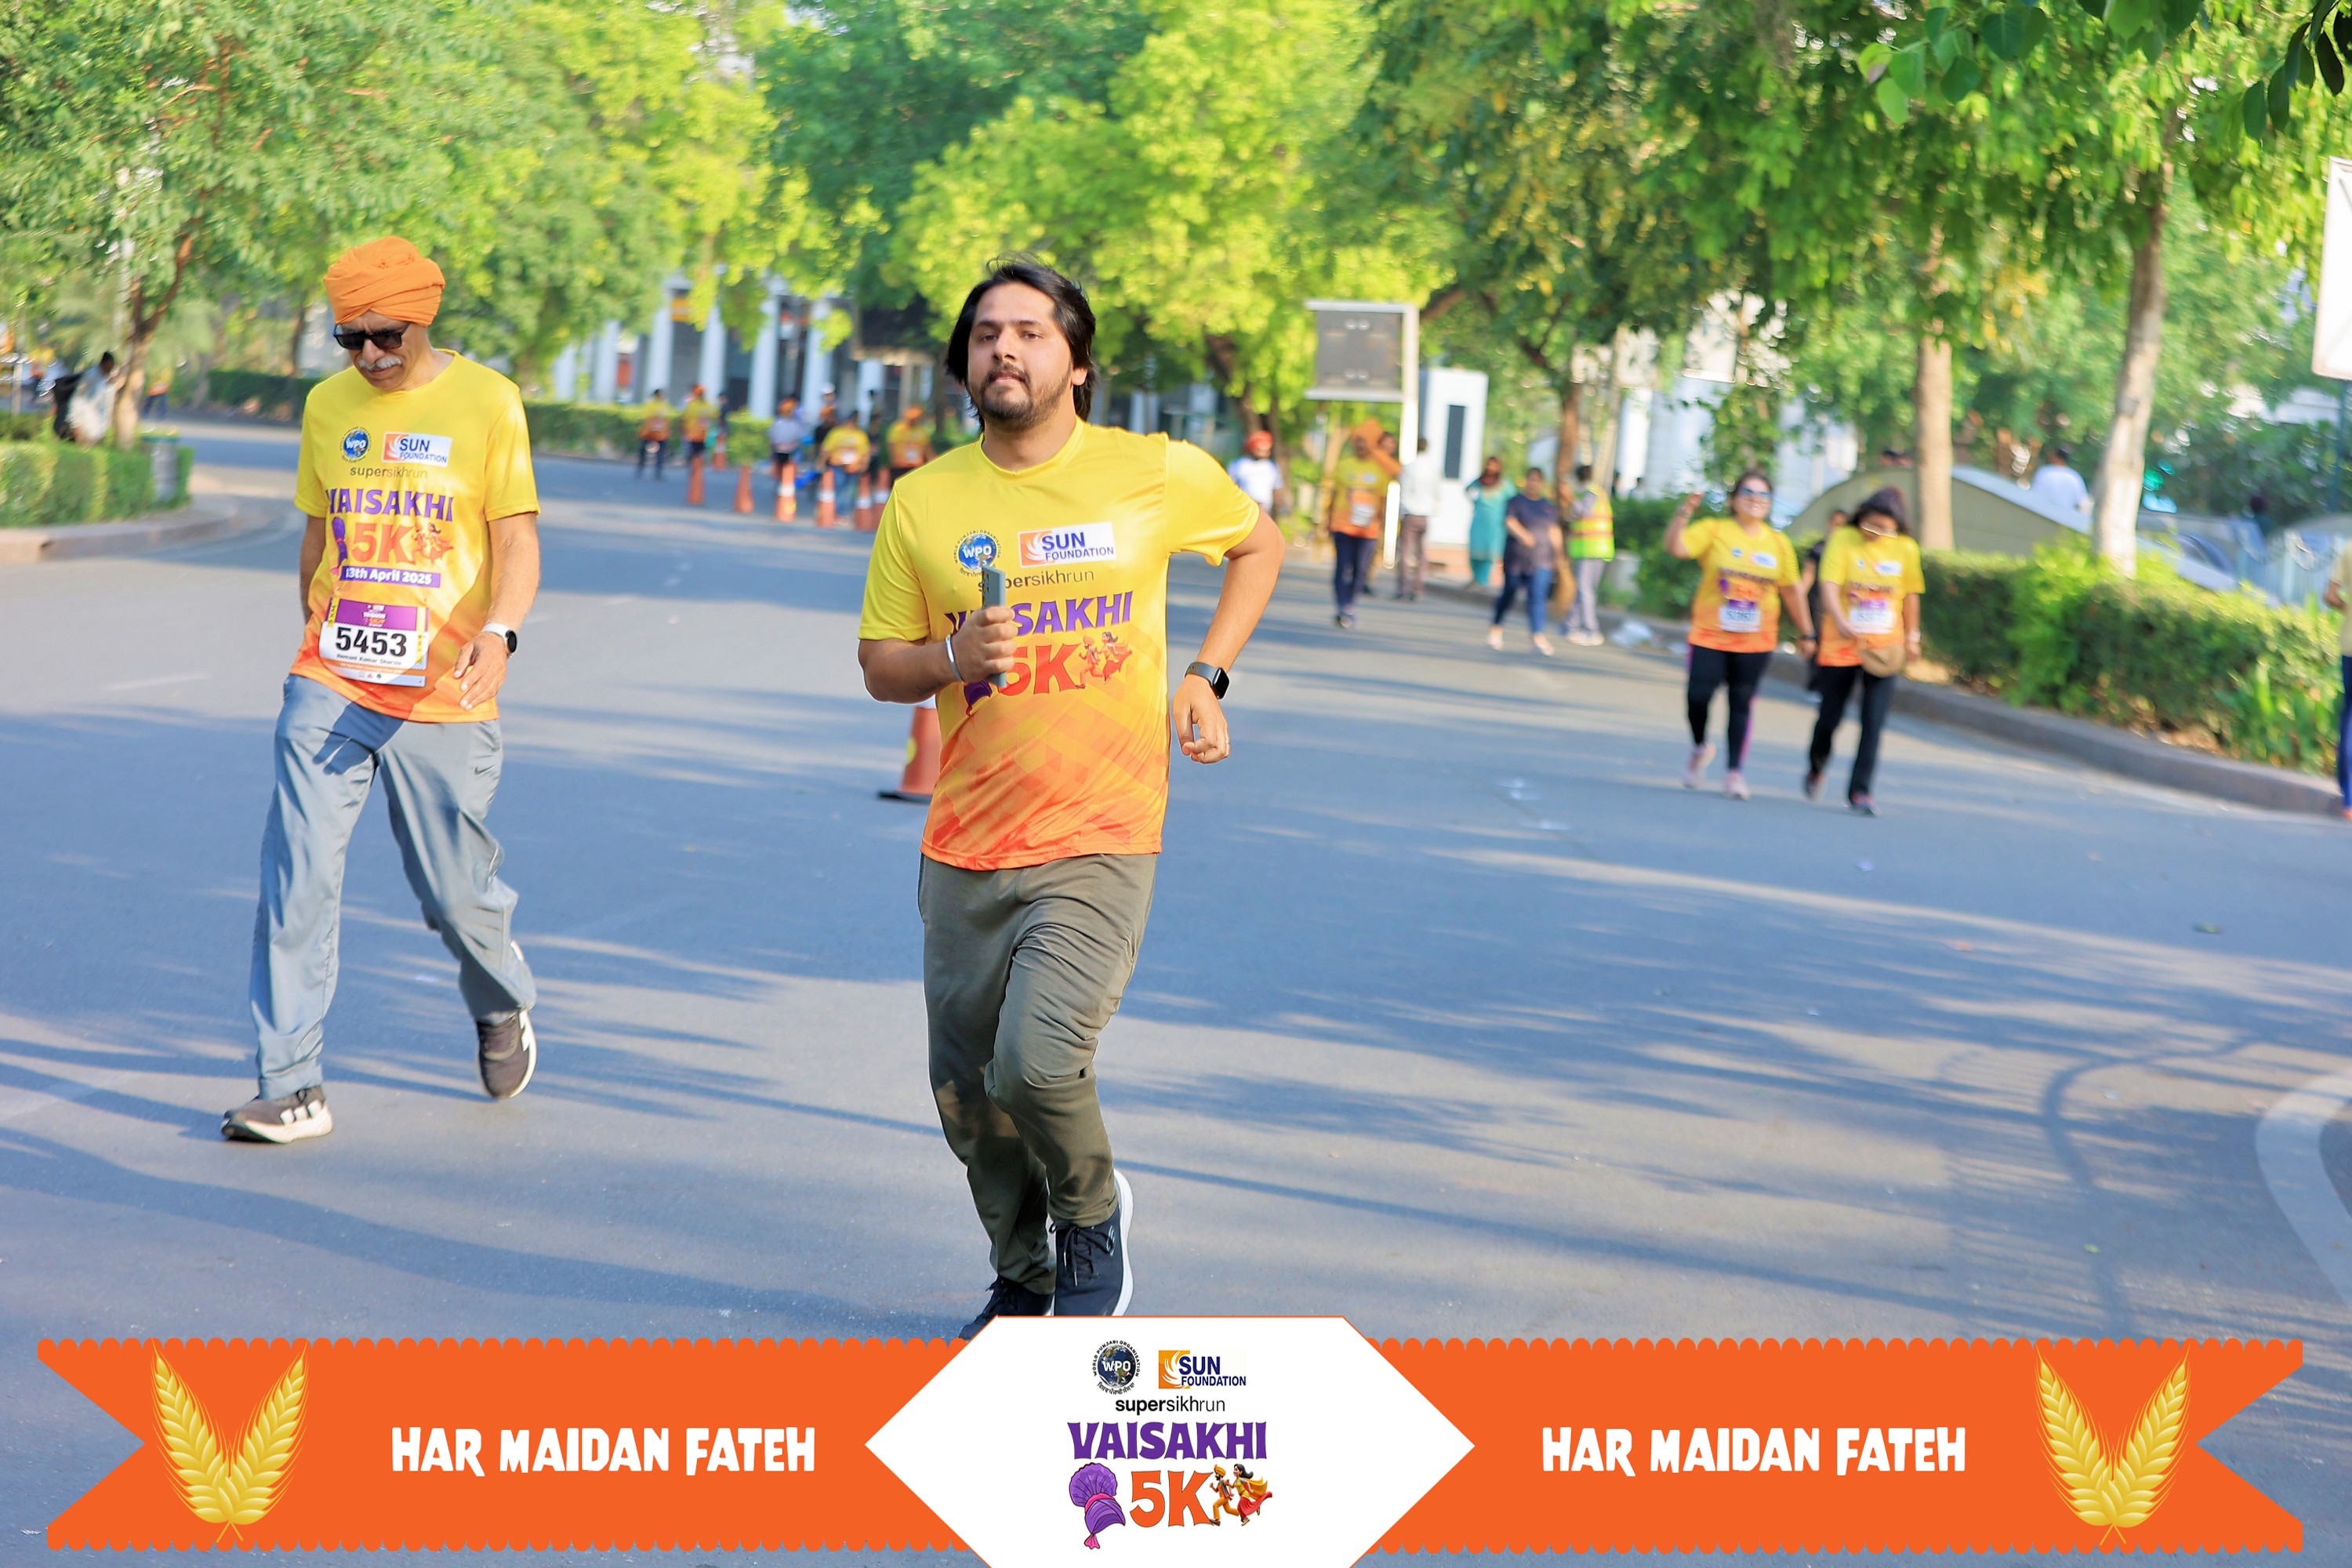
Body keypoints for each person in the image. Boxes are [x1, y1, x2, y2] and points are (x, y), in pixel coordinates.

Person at [855, 258, 1283, 1335]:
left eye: (1031, 332)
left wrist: (1207, 674)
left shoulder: (1152, 472)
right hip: (967, 841)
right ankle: (1025, 1275)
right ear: (964, 363)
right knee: (969, 1096)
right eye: (986, 333)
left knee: (1037, 1061)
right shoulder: (924, 500)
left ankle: (1091, 1216)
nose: (1005, 347)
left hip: (1102, 830)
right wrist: (951, 657)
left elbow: (1258, 543)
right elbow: (881, 664)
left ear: (1077, 363)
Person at [223, 236, 541, 1143]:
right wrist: (314, 638)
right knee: (297, 874)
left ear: (422, 319)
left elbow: (516, 539)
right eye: (350, 337)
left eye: (386, 335)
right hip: (333, 677)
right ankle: (292, 1084)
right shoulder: (327, 407)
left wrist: (500, 631)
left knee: (452, 893)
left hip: (444, 687)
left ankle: (501, 995)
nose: (368, 354)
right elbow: (317, 535)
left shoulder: (489, 400)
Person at [1666, 472, 1814, 799]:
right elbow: (1677, 548)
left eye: (1763, 495)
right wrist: (1684, 513)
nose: (1755, 500)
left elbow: (1791, 591)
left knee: (1741, 702)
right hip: (1710, 633)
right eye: (1748, 492)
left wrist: (1807, 633)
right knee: (1698, 696)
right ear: (1734, 499)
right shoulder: (1715, 530)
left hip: (1755, 638)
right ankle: (1699, 747)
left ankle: (1734, 773)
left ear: (1770, 503)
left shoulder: (1778, 543)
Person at [1806, 488, 1923, 815]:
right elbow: (1829, 585)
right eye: (1871, 526)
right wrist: (1840, 619)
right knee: (1830, 716)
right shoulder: (1843, 539)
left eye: (1886, 529)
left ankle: (1860, 791)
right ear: (1861, 518)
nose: (1877, 534)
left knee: (1874, 721)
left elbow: (1911, 595)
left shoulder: (1906, 548)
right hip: (1842, 642)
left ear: (1898, 527)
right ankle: (1817, 765)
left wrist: (1912, 637)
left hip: (1884, 647)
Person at [1324, 419, 1396, 628]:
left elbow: (1383, 499)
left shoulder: (1379, 468)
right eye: (1358, 441)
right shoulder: (1344, 465)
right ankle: (1342, 606)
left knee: (1361, 569)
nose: (1361, 446)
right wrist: (1327, 520)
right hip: (1343, 525)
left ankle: (1350, 604)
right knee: (1342, 566)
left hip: (1368, 529)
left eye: (1366, 442)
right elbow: (1334, 493)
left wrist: (1382, 525)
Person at [1486, 466, 1559, 656]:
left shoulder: (1547, 506)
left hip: (1541, 559)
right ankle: (1496, 627)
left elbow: (1553, 530)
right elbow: (1509, 521)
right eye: (1531, 479)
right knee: (1510, 592)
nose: (1534, 483)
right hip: (1517, 558)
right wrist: (1523, 535)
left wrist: (1559, 554)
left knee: (1537, 597)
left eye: (1537, 480)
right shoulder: (1516, 502)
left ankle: (1537, 635)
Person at [1559, 463, 1613, 643]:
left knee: (1584, 589)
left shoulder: (1590, 493)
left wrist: (1569, 498)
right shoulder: (1596, 492)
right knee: (1584, 590)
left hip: (1590, 549)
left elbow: (1584, 513)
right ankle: (1570, 625)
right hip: (1596, 548)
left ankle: (1591, 630)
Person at [1395, 436, 1441, 601]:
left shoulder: (1409, 467)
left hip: (1410, 512)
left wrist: (1401, 511)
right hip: (1425, 514)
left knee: (1406, 551)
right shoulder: (1433, 468)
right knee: (1422, 553)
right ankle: (1418, 588)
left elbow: (1404, 491)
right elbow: (1437, 492)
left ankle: (1404, 588)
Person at [2325, 546, 2352, 821]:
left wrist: (2348, 608)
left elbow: (2330, 596)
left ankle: (2349, 798)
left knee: (2349, 718)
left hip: (2349, 647)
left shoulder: (2349, 551)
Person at [820, 410, 873, 528]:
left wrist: (864, 464)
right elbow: (827, 448)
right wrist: (822, 462)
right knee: (839, 489)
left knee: (849, 491)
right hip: (838, 465)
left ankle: (845, 514)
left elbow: (865, 451)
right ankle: (838, 513)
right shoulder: (837, 433)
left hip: (854, 467)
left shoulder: (860, 435)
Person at [1466, 456, 1512, 587]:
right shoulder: (1479, 483)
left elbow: (1513, 501)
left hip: (1495, 524)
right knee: (1475, 550)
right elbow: (1468, 491)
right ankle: (1476, 578)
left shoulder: (1504, 485)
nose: (1490, 468)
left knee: (1489, 552)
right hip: (1479, 521)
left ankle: (1483, 580)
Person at [1227, 429, 1280, 521]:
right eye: (1261, 450)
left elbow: (1277, 488)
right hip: (1244, 510)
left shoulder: (1271, 466)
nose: (1265, 453)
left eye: (1267, 450)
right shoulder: (1239, 464)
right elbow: (1230, 486)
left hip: (1265, 510)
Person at [65, 352, 116, 445]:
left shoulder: (103, 379)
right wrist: (75, 422)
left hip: (95, 427)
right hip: (85, 424)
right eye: (110, 365)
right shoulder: (91, 376)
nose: (111, 368)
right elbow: (78, 398)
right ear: (104, 363)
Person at [2030, 444, 2092, 517]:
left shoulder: (2044, 472)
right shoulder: (2075, 478)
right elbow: (2083, 505)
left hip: (2041, 514)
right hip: (2063, 519)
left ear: (2055, 456)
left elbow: (2034, 494)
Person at [770, 395, 807, 516]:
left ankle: (785, 493)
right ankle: (781, 492)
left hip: (788, 451)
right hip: (783, 451)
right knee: (782, 474)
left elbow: (798, 438)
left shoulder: (790, 424)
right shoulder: (781, 423)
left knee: (787, 475)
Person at [887, 402, 937, 491]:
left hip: (916, 467)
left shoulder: (921, 431)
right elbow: (892, 446)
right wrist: (894, 460)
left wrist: (935, 464)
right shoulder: (898, 429)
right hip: (900, 467)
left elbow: (927, 450)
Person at [635, 390, 673, 479]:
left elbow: (667, 418)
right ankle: (640, 467)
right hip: (649, 432)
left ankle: (658, 471)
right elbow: (646, 417)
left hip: (661, 433)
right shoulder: (650, 405)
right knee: (643, 450)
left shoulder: (664, 405)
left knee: (661, 453)